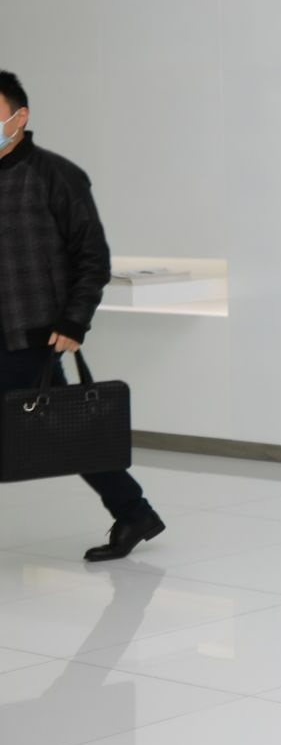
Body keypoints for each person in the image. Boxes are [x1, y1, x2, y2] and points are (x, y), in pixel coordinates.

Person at [0, 73, 164, 562]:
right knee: (64, 433)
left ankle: (134, 511)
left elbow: (92, 256)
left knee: (61, 431)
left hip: (32, 333)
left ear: (20, 117)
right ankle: (134, 511)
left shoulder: (57, 176)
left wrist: (74, 322)